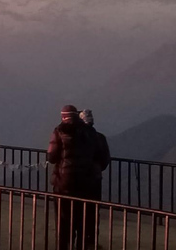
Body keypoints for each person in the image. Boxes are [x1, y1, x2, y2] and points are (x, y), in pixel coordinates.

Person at [47, 105, 100, 250]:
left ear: (63, 116)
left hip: (64, 183)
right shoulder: (90, 132)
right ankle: (81, 246)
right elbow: (99, 154)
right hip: (86, 183)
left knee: (63, 220)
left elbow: (51, 157)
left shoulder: (59, 131)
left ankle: (64, 246)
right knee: (82, 219)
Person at [80, 109, 111, 250]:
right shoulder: (100, 137)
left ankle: (78, 240)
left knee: (78, 210)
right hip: (95, 178)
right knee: (93, 210)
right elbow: (105, 160)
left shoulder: (78, 138)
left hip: (79, 179)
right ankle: (90, 241)